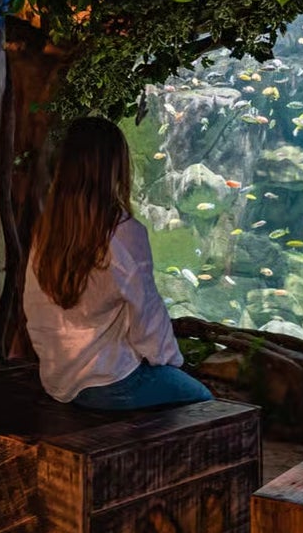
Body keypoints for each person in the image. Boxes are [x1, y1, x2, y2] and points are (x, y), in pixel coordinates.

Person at [24, 116, 214, 410]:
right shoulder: (124, 232)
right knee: (204, 402)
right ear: (116, 168)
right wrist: (170, 362)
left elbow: (34, 309)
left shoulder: (47, 231)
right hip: (112, 383)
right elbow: (147, 317)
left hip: (58, 381)